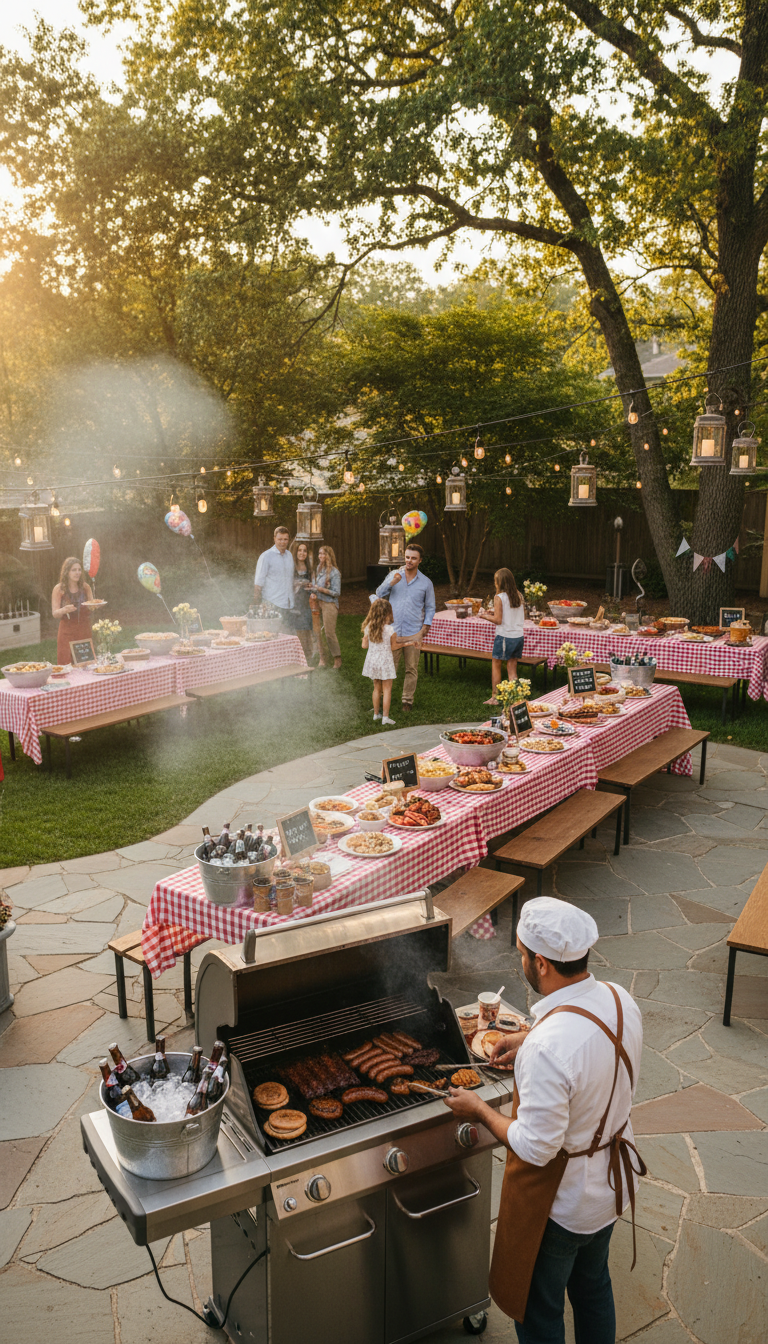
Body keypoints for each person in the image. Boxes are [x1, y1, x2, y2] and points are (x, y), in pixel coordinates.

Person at [444, 897, 644, 1344]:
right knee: (593, 1289)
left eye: (520, 955)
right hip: (611, 1188)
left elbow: (536, 1147)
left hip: (563, 1204)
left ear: (541, 962)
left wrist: (479, 1110)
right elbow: (587, 1037)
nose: (520, 965)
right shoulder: (620, 998)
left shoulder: (548, 1048)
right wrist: (528, 1035)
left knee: (540, 1311)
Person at [375, 542, 435, 713]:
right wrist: (391, 583)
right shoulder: (394, 575)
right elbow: (379, 593)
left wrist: (426, 626)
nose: (409, 561)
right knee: (388, 667)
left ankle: (407, 701)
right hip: (393, 631)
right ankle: (380, 699)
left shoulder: (426, 583)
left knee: (411, 668)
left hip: (414, 632)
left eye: (413, 558)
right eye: (407, 557)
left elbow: (430, 607)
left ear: (420, 561)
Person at [361, 598, 417, 725]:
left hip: (373, 661)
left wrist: (368, 641)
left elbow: (364, 646)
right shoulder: (390, 630)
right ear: (388, 613)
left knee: (376, 688)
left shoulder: (368, 627)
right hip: (385, 661)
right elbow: (394, 647)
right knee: (387, 689)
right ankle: (385, 718)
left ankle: (376, 714)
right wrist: (407, 643)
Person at [478, 567, 526, 706]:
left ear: (500, 582)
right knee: (512, 668)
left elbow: (498, 620)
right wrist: (492, 611)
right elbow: (510, 612)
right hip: (518, 636)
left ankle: (495, 697)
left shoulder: (499, 597)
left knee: (496, 664)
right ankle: (516, 698)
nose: (494, 583)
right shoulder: (518, 595)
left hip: (505, 636)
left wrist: (484, 616)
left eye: (495, 581)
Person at [52, 557, 94, 664]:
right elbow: (55, 613)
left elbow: (91, 606)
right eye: (74, 570)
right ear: (67, 572)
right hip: (67, 632)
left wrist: (95, 606)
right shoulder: (59, 589)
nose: (77, 573)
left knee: (85, 663)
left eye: (79, 569)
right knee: (66, 663)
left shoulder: (86, 587)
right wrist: (64, 610)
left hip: (84, 630)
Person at [253, 526, 295, 623]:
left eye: (285, 539)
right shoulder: (266, 556)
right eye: (280, 539)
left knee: (287, 635)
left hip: (289, 604)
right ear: (274, 538)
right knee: (273, 635)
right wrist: (256, 604)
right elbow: (258, 583)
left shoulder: (289, 556)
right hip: (272, 604)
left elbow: (289, 579)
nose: (283, 542)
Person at [313, 544, 342, 669]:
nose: (321, 556)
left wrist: (321, 589)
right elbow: (315, 585)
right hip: (317, 602)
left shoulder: (335, 573)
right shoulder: (319, 569)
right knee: (317, 631)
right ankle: (322, 657)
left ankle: (337, 658)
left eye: (324, 553)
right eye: (319, 553)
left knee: (329, 633)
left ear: (329, 556)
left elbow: (336, 593)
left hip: (329, 604)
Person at [288, 538, 315, 663]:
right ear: (296, 551)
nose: (302, 553)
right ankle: (296, 656)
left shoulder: (309, 568)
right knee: (297, 628)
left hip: (306, 602)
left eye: (304, 551)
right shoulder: (291, 566)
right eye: (300, 550)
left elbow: (313, 585)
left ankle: (307, 655)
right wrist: (296, 584)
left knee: (306, 627)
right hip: (294, 601)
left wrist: (310, 587)